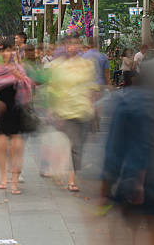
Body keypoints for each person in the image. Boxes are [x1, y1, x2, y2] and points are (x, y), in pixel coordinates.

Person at [47, 37, 96, 192]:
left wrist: (93, 108)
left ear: (80, 46)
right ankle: (71, 180)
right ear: (65, 46)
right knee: (72, 144)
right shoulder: (58, 66)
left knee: (77, 145)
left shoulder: (87, 65)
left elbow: (92, 88)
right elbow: (52, 89)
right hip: (65, 111)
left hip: (83, 110)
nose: (72, 47)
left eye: (76, 43)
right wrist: (52, 109)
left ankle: (65, 172)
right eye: (70, 44)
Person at [0, 40, 31, 195]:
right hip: (0, 111)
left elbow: (27, 88)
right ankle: (4, 178)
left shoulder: (18, 69)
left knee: (16, 148)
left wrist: (19, 77)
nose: (6, 53)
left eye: (9, 50)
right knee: (1, 146)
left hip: (17, 110)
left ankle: (15, 182)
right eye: (3, 50)